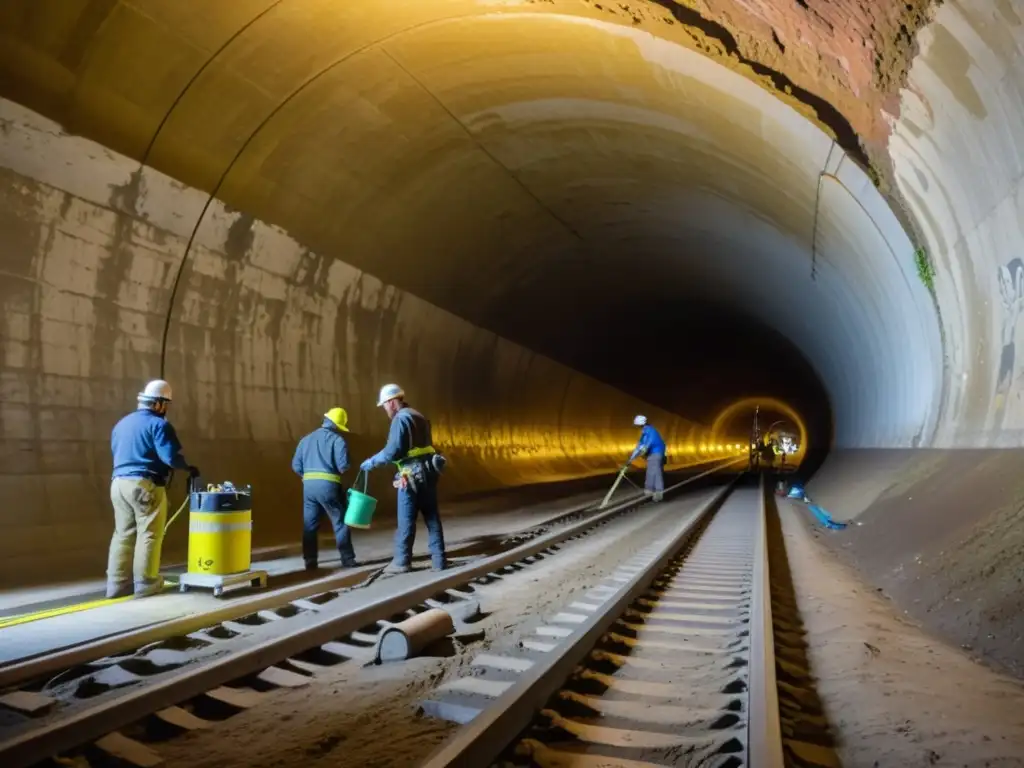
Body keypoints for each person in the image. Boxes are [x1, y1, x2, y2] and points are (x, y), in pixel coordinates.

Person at [107, 380, 198, 599]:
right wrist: (188, 468)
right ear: (158, 404)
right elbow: (169, 457)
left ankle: (117, 584)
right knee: (149, 533)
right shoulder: (159, 425)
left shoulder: (122, 423)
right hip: (144, 485)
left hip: (118, 483)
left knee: (123, 534)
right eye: (165, 404)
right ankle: (146, 583)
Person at [360, 384, 447, 573]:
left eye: (384, 405)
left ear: (392, 402)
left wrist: (372, 461)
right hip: (429, 471)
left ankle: (401, 562)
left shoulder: (400, 419)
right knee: (432, 517)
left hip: (411, 474)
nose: (384, 409)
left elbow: (393, 451)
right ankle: (439, 560)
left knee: (406, 518)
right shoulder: (419, 416)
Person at [291, 407, 357, 571]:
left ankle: (310, 561)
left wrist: (308, 475)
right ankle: (347, 559)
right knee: (340, 522)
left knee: (310, 525)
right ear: (337, 425)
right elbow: (343, 467)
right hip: (328, 486)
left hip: (308, 487)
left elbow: (295, 465)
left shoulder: (305, 439)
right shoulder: (338, 440)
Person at [629, 415, 666, 501]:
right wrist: (631, 458)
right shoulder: (644, 433)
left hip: (656, 452)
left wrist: (644, 449)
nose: (637, 428)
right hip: (652, 453)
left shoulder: (650, 431)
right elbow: (639, 446)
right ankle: (654, 491)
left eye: (637, 426)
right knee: (654, 471)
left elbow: (648, 443)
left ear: (641, 424)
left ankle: (654, 491)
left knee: (654, 471)